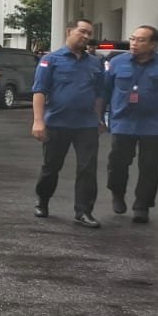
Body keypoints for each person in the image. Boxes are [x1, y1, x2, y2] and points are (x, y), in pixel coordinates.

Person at [104, 25, 158, 223]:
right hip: (123, 122)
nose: (134, 43)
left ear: (153, 44)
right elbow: (105, 91)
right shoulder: (117, 62)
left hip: (153, 123)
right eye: (132, 39)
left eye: (140, 40)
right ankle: (117, 193)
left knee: (150, 168)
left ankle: (142, 206)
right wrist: (99, 117)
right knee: (117, 163)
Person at [31, 18, 107, 228]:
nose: (86, 36)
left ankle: (83, 212)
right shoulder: (51, 60)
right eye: (82, 31)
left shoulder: (95, 63)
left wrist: (99, 118)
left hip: (86, 125)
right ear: (69, 31)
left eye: (89, 33)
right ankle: (42, 200)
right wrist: (38, 121)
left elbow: (99, 94)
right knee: (51, 167)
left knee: (87, 169)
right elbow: (39, 91)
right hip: (57, 122)